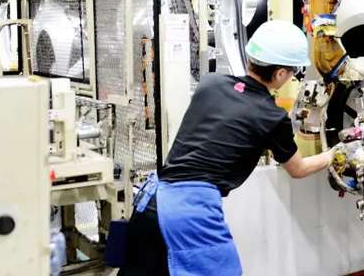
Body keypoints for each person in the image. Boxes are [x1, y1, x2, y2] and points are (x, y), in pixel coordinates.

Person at [120, 20, 336, 276]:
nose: (292, 77)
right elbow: (297, 169)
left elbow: (227, 123)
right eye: (293, 71)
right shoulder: (271, 116)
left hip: (151, 199)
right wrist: (335, 154)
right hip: (188, 213)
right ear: (280, 73)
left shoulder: (210, 84)